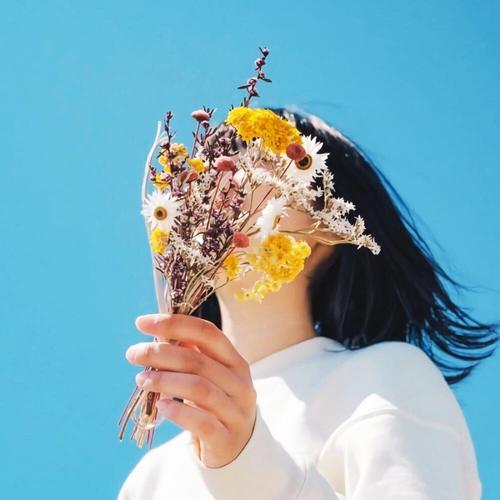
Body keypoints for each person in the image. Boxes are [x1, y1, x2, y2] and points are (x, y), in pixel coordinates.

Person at [117, 108, 498, 499]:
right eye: (207, 173)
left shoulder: (385, 378)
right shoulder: (148, 481)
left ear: (328, 231)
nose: (223, 182)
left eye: (259, 165)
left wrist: (246, 462)